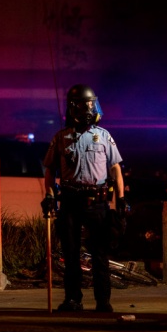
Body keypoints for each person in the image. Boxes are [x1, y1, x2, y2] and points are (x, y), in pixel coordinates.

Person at [42, 84, 126, 313]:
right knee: (70, 254)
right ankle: (73, 300)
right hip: (70, 201)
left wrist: (121, 199)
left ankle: (103, 302)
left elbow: (116, 169)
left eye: (92, 104)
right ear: (73, 108)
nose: (90, 108)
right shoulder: (61, 138)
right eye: (85, 105)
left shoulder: (103, 136)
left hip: (97, 203)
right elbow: (49, 169)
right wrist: (49, 196)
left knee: (100, 254)